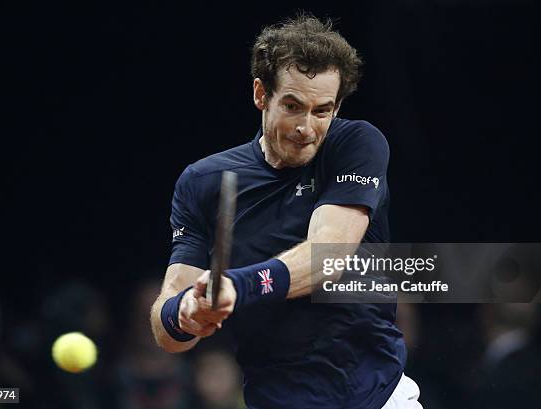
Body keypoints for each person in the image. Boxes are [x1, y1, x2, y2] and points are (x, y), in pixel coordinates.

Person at [151, 15, 421, 409]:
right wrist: (186, 312)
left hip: (377, 399)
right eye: (293, 106)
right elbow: (167, 325)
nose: (306, 128)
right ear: (261, 94)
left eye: (322, 110)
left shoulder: (356, 144)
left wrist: (236, 287)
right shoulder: (201, 181)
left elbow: (327, 256)